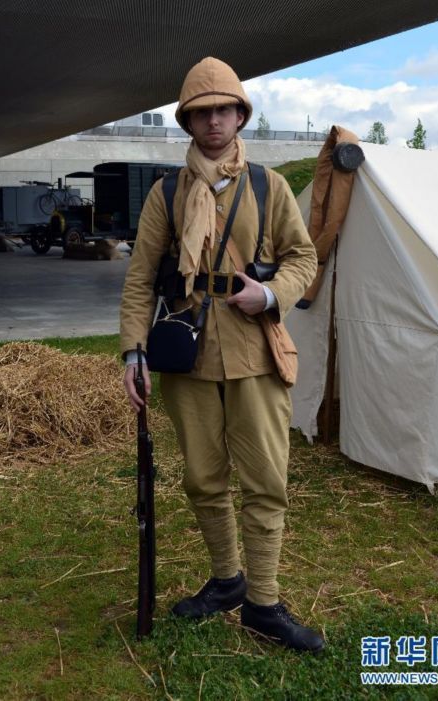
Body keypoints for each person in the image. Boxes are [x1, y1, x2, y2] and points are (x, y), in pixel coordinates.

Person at [121, 57, 323, 653]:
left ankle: (263, 601)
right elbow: (139, 278)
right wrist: (133, 351)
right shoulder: (166, 193)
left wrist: (270, 294)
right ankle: (228, 579)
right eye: (201, 112)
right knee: (203, 478)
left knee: (266, 481)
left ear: (240, 115)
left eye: (223, 109)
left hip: (256, 348)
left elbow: (302, 259)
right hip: (187, 350)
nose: (214, 121)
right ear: (188, 121)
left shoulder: (269, 185)